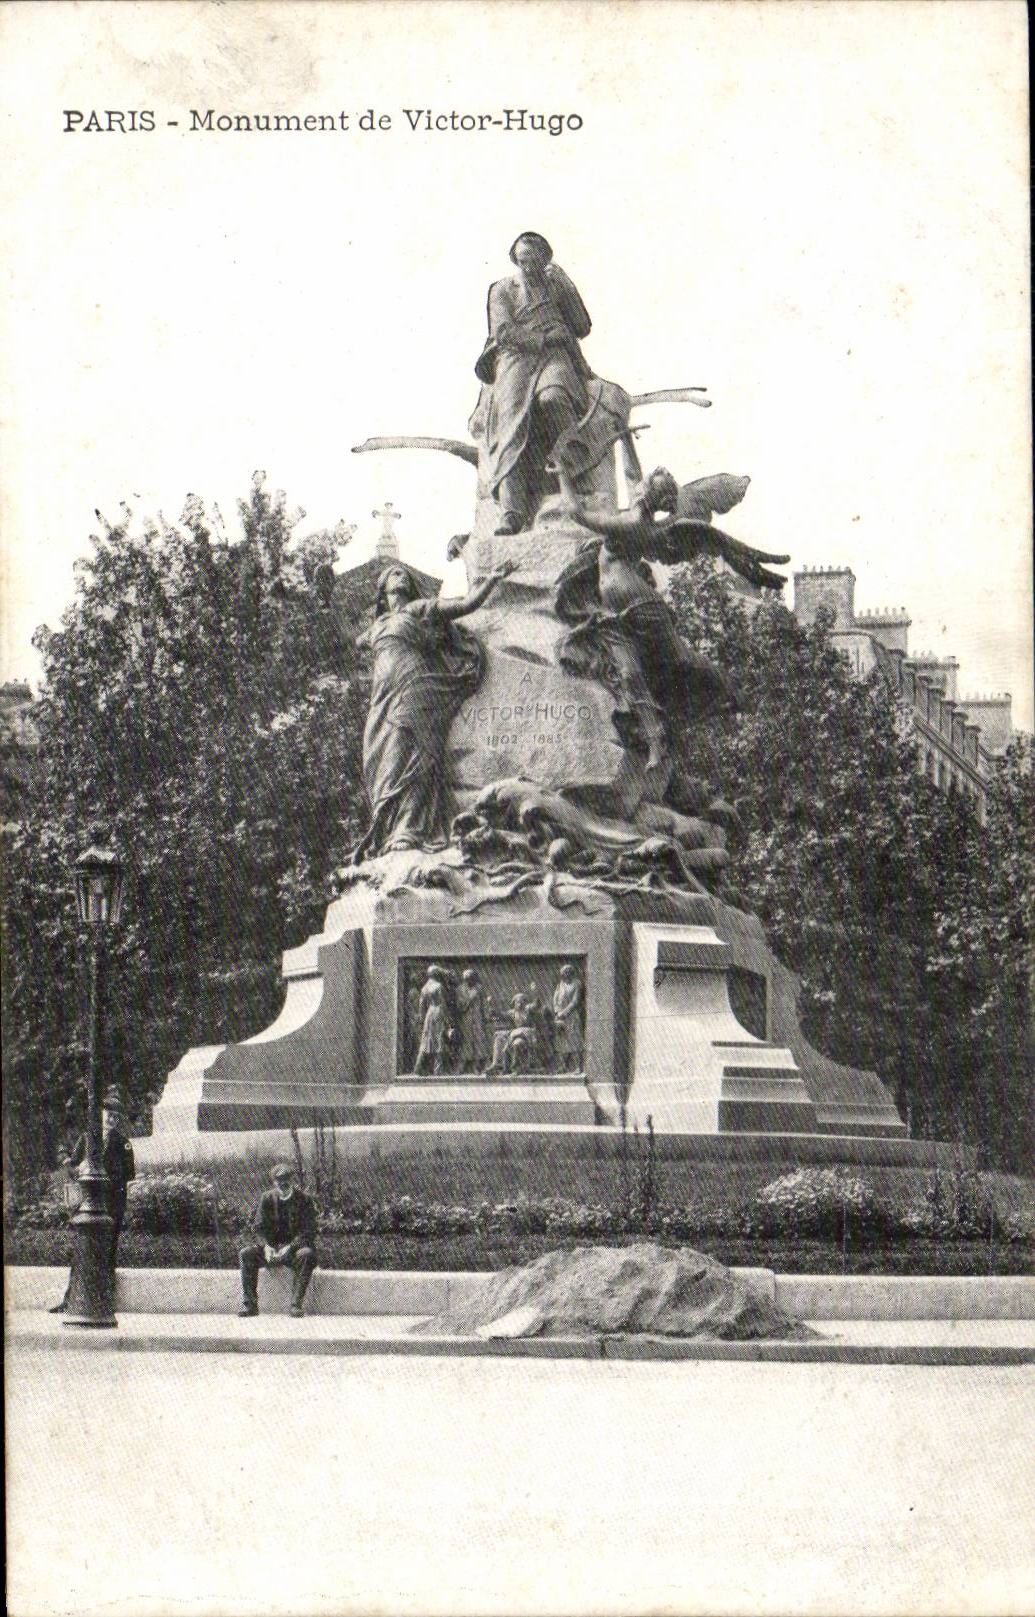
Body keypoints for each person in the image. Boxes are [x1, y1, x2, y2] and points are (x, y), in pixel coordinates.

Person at [353, 560, 515, 859]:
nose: (401, 575)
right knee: (379, 758)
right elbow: (346, 641)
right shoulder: (377, 626)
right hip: (383, 696)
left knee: (413, 751)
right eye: (394, 574)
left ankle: (409, 829)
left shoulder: (419, 609)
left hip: (417, 685)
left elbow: (466, 604)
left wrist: (492, 578)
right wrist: (319, 605)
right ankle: (388, 828)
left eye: (404, 573)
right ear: (383, 590)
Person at [473, 232, 592, 535]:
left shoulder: (557, 285)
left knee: (553, 398)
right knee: (511, 421)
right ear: (515, 260)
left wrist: (567, 285)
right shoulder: (501, 289)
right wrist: (542, 338)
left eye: (534, 262)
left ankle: (574, 477)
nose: (528, 267)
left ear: (546, 261)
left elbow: (582, 327)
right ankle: (512, 511)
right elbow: (503, 331)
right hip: (516, 356)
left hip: (555, 356)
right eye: (522, 261)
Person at [49, 1086, 136, 1313]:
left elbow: (127, 1175)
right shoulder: (88, 1139)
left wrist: (99, 1172)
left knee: (107, 1255)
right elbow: (74, 1167)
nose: (112, 1120)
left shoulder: (124, 1144)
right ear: (101, 1115)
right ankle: (71, 1300)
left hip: (111, 1207)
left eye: (116, 1117)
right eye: (109, 1115)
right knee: (81, 1251)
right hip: (87, 1205)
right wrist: (77, 1168)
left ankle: (103, 1302)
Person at [239, 1164, 318, 1319]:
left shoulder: (304, 1200)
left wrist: (290, 1247)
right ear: (274, 1182)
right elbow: (259, 1227)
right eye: (279, 1181)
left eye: (286, 1181)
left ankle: (296, 1305)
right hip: (271, 1250)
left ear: (292, 1180)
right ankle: (251, 1305)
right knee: (246, 1253)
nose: (283, 1185)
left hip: (294, 1251)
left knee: (307, 1254)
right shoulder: (267, 1198)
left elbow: (308, 1231)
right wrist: (266, 1246)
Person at [415, 965, 449, 1075]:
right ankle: (438, 1070)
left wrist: (422, 1017)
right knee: (439, 1040)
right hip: (438, 1012)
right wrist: (447, 1020)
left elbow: (421, 1005)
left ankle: (418, 1068)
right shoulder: (439, 986)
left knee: (426, 1041)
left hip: (429, 1014)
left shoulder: (424, 988)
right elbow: (443, 1003)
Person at [455, 968, 490, 1072]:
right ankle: (462, 1066)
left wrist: (486, 1016)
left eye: (472, 979)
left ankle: (477, 1066)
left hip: (478, 1018)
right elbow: (460, 1006)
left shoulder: (479, 988)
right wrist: (470, 997)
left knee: (479, 1041)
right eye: (468, 979)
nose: (470, 981)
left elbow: (484, 1004)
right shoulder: (460, 990)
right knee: (467, 1042)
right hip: (466, 1019)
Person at [552, 965, 585, 1072]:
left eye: (567, 972)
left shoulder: (577, 984)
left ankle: (578, 1067)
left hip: (572, 1016)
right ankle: (563, 1066)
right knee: (562, 1041)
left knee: (575, 1040)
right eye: (563, 973)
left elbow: (575, 1002)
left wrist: (564, 1012)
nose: (564, 975)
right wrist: (557, 1011)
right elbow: (555, 999)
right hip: (561, 1018)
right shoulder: (560, 985)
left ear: (571, 972)